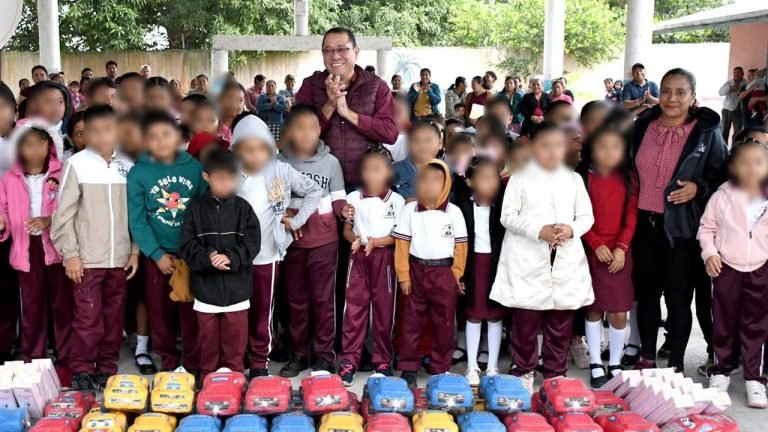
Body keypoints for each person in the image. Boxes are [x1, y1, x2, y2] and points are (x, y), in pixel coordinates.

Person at [630, 68, 728, 372]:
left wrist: (699, 189)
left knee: (677, 299)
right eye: (667, 91)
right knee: (646, 296)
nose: (672, 99)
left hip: (682, 230)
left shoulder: (705, 132)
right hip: (643, 226)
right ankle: (646, 357)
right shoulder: (642, 126)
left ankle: (675, 365)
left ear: (693, 97)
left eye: (680, 92)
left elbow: (724, 176)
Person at [490, 121, 595, 393]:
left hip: (564, 259)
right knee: (526, 323)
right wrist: (540, 231)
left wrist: (570, 229)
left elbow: (586, 217)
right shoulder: (519, 178)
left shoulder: (574, 180)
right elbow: (507, 217)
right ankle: (523, 369)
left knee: (560, 323)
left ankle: (554, 373)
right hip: (527, 259)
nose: (551, 151)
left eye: (558, 146)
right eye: (544, 146)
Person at [51, 105, 140, 391]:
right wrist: (71, 254)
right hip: (87, 261)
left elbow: (136, 214)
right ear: (84, 134)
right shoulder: (76, 165)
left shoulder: (126, 167)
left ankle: (105, 367)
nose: (102, 136)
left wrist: (135, 251)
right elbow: (61, 216)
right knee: (88, 318)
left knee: (114, 318)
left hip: (120, 259)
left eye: (108, 130)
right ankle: (81, 368)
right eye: (95, 131)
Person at [231, 113, 322, 378]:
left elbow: (313, 191)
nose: (256, 155)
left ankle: (260, 360)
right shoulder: (230, 173)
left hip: (267, 254)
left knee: (263, 310)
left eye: (261, 148)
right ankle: (239, 358)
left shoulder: (279, 170)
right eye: (248, 149)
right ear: (235, 149)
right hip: (236, 256)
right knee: (238, 311)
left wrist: (296, 220)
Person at [127, 111, 206, 373]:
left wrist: (194, 251)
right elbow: (137, 220)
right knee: (160, 312)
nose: (160, 141)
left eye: (166, 134)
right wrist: (156, 254)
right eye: (153, 137)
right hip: (158, 255)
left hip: (191, 254)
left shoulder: (194, 168)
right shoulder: (139, 172)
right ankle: (169, 361)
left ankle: (192, 363)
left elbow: (206, 210)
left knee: (191, 310)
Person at [0, 118, 73, 384]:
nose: (32, 150)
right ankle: (35, 362)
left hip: (56, 248)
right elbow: (3, 209)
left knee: (62, 306)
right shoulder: (9, 178)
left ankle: (65, 361)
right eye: (26, 144)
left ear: (49, 145)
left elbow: (70, 209)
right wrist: (2, 223)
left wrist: (48, 221)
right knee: (31, 308)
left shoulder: (62, 174)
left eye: (38, 143)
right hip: (25, 250)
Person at [275, 105, 346, 377]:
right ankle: (298, 353)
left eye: (312, 127)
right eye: (299, 128)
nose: (306, 134)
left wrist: (346, 212)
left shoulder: (331, 163)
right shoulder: (280, 163)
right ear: (290, 132)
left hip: (324, 242)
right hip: (292, 243)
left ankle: (324, 355)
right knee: (295, 300)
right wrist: (287, 220)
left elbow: (338, 198)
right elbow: (275, 202)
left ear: (320, 130)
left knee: (323, 299)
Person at [179, 148, 261, 378]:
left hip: (237, 291)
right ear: (207, 177)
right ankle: (207, 381)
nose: (227, 184)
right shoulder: (194, 209)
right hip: (206, 291)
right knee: (208, 343)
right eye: (221, 179)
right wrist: (209, 258)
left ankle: (235, 379)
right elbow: (186, 246)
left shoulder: (244, 209)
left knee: (235, 345)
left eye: (232, 179)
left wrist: (230, 257)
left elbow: (252, 245)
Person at [699, 139, 768, 409]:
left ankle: (755, 379)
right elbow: (706, 229)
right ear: (733, 166)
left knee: (756, 324)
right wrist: (710, 254)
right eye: (744, 162)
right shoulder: (722, 196)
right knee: (723, 321)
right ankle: (721, 372)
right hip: (727, 267)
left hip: (761, 267)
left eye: (758, 162)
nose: (751, 168)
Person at [393, 158, 468, 388]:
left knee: (444, 324)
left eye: (437, 180)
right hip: (416, 271)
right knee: (411, 323)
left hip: (443, 272)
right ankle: (409, 367)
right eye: (424, 180)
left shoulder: (453, 212)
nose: (430, 185)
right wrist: (404, 276)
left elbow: (461, 247)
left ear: (446, 183)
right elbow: (402, 245)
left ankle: (440, 366)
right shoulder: (410, 210)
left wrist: (455, 275)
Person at [576, 125, 638, 388]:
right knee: (593, 308)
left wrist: (621, 247)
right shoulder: (583, 178)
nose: (608, 152)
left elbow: (631, 217)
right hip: (591, 251)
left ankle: (614, 361)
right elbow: (578, 215)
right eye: (602, 146)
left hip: (619, 254)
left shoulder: (629, 178)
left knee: (619, 310)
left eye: (615, 146)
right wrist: (596, 243)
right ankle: (595, 363)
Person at [295, 27, 397, 186]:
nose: (335, 56)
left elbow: (390, 134)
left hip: (366, 185)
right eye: (328, 50)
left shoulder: (376, 86)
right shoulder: (310, 85)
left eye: (342, 49)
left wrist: (348, 114)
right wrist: (330, 105)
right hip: (320, 183)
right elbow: (297, 137)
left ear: (356, 52)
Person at [338, 145, 404, 385]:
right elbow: (347, 229)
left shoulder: (397, 201)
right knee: (354, 310)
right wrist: (354, 240)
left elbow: (399, 236)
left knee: (383, 312)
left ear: (388, 171)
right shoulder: (353, 198)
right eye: (366, 170)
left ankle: (382, 360)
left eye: (377, 169)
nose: (371, 175)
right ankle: (349, 360)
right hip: (359, 258)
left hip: (385, 259)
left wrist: (378, 242)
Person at [454, 157, 506, 385]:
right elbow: (459, 245)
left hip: (497, 266)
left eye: (494, 177)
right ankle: (472, 366)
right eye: (483, 178)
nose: (490, 183)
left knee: (495, 316)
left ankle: (493, 366)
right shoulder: (462, 208)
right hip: (473, 265)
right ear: (469, 182)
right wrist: (460, 274)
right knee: (473, 315)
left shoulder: (504, 208)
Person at [394, 121, 443, 200]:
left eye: (428, 140)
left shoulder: (447, 172)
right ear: (408, 144)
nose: (422, 145)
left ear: (440, 143)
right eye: (416, 140)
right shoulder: (393, 171)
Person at [719, 66, 746, 144]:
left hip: (739, 110)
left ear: (742, 74)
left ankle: (735, 148)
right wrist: (730, 88)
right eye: (734, 73)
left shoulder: (746, 83)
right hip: (727, 109)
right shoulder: (729, 83)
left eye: (738, 73)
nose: (736, 74)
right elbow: (720, 93)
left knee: (738, 131)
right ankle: (723, 148)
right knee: (724, 130)